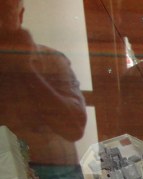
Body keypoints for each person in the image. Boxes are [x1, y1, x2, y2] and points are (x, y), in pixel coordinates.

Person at [0, 0, 87, 166]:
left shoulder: (52, 60)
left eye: (5, 11)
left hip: (57, 171)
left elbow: (75, 128)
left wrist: (27, 69)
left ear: (20, 15)